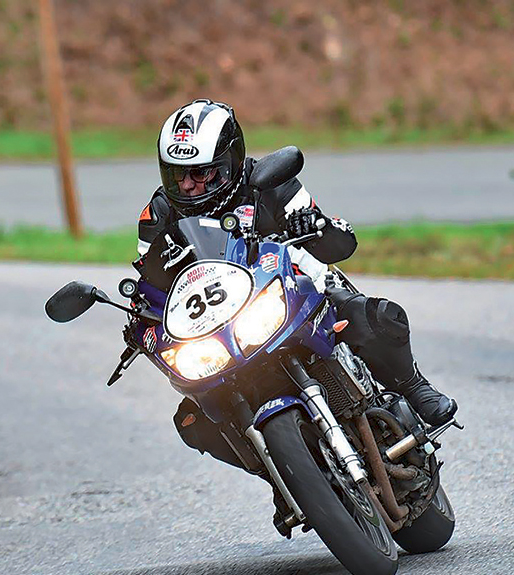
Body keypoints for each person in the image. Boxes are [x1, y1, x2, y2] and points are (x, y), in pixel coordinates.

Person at [134, 100, 458, 532]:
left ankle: (414, 388)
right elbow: (151, 283)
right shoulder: (159, 215)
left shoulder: (268, 182)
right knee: (194, 419)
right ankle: (282, 473)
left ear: (230, 159)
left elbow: (342, 240)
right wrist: (141, 320)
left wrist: (314, 225)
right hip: (226, 326)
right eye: (178, 174)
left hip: (302, 292)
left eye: (202, 172)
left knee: (376, 318)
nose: (190, 185)